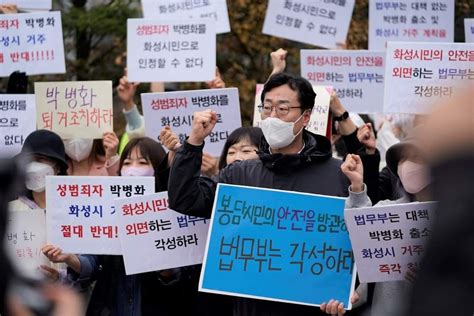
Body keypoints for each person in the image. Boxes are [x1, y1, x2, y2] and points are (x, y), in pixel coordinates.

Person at [167, 73, 351, 315]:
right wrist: (193, 143)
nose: (273, 117)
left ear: (305, 116)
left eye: (283, 109)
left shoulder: (339, 174)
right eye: (267, 108)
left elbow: (355, 244)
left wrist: (348, 293)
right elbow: (185, 199)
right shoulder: (239, 174)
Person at [42, 137, 194, 316]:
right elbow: (92, 262)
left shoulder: (174, 207)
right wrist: (70, 258)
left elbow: (181, 273)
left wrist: (165, 267)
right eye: (127, 162)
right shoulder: (106, 207)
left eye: (142, 162)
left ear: (157, 168)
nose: (132, 169)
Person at [323, 127, 433, 316]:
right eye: (403, 159)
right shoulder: (387, 210)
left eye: (416, 157)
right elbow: (360, 228)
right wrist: (357, 186)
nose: (407, 165)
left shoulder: (457, 220)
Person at [9, 129, 68, 211]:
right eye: (28, 160)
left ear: (58, 167)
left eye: (40, 159)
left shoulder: (72, 209)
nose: (32, 166)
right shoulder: (11, 210)